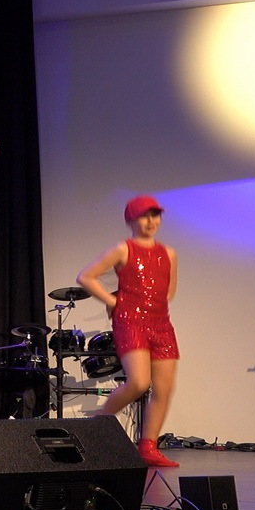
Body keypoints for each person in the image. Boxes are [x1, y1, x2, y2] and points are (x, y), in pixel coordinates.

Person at [76, 195, 179, 468]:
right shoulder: (123, 249)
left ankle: (148, 446)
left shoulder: (169, 253)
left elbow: (168, 292)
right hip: (131, 322)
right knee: (139, 383)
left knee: (165, 388)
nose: (151, 221)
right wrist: (113, 302)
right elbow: (86, 276)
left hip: (161, 324)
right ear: (131, 220)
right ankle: (97, 428)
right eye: (144, 216)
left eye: (155, 215)